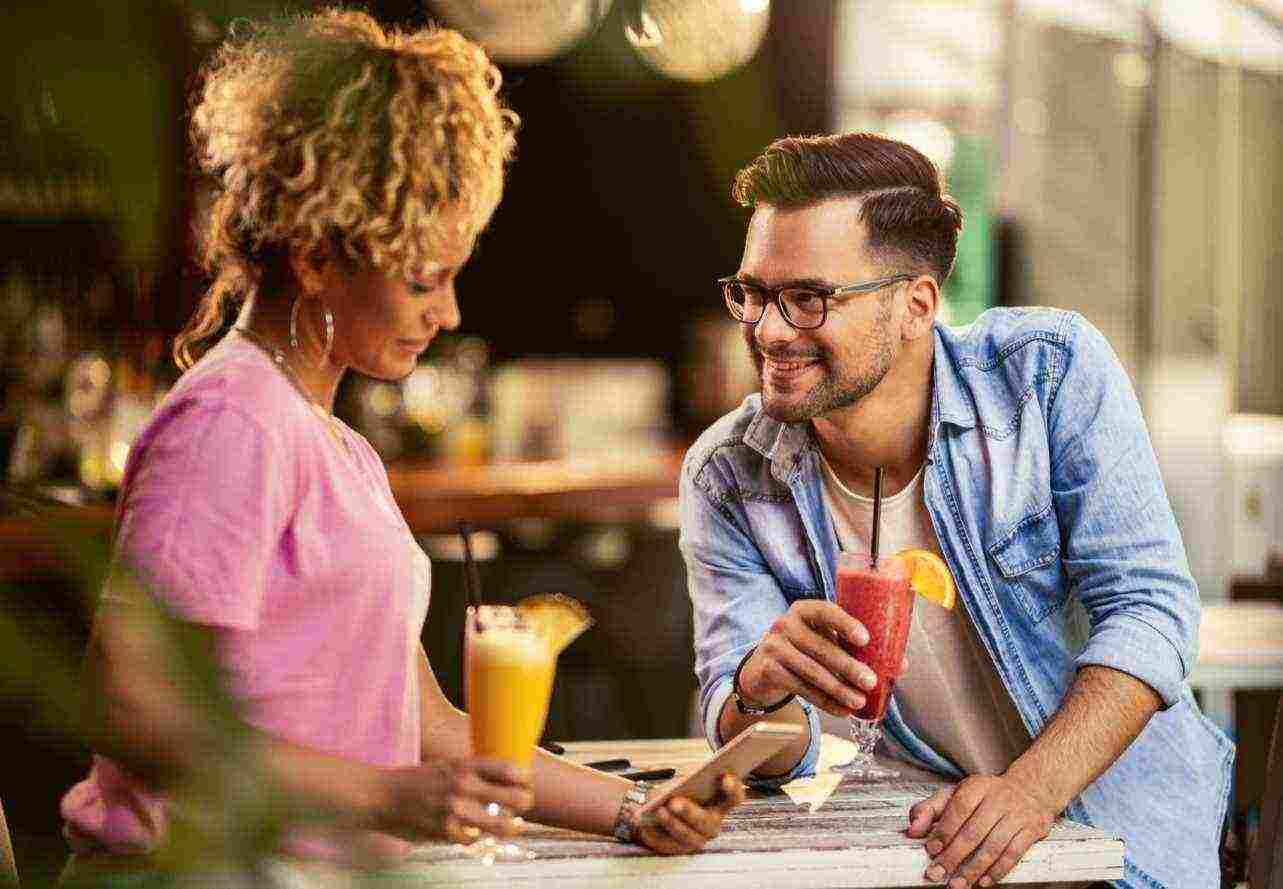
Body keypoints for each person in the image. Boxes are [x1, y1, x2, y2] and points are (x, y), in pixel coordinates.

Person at [59, 9, 743, 876]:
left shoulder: (333, 448)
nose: (449, 312)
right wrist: (380, 796)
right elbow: (129, 705)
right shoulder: (231, 425)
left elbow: (434, 726)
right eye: (424, 278)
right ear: (315, 257)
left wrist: (635, 808)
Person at [679, 132, 1232, 889]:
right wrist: (756, 691)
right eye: (753, 293)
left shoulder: (1047, 374)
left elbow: (1150, 610)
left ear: (916, 304)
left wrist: (1031, 790)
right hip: (922, 851)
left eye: (807, 298)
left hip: (1122, 846)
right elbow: (767, 745)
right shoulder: (727, 475)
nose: (769, 330)